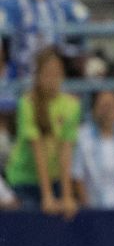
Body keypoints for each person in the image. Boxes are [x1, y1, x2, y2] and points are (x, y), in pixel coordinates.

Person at [7, 48, 81, 217]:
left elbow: (66, 151)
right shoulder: (27, 103)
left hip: (55, 180)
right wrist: (47, 196)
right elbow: (38, 149)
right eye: (47, 73)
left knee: (69, 210)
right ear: (38, 76)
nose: (52, 79)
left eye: (56, 73)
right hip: (24, 180)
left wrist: (66, 195)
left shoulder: (72, 106)